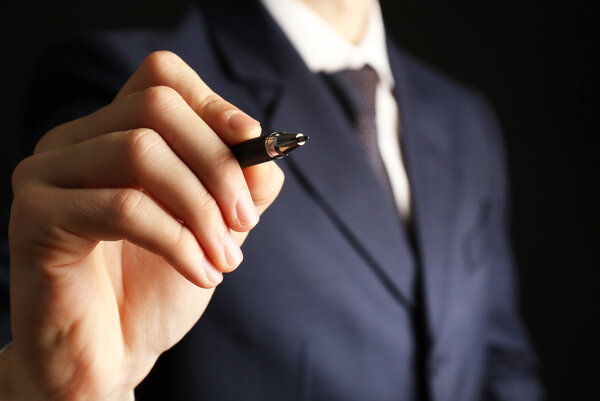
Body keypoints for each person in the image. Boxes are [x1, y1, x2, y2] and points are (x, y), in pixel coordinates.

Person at [0, 0, 544, 399]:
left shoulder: (465, 120)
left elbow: (499, 357)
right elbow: (45, 342)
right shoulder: (133, 91)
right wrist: (71, 393)